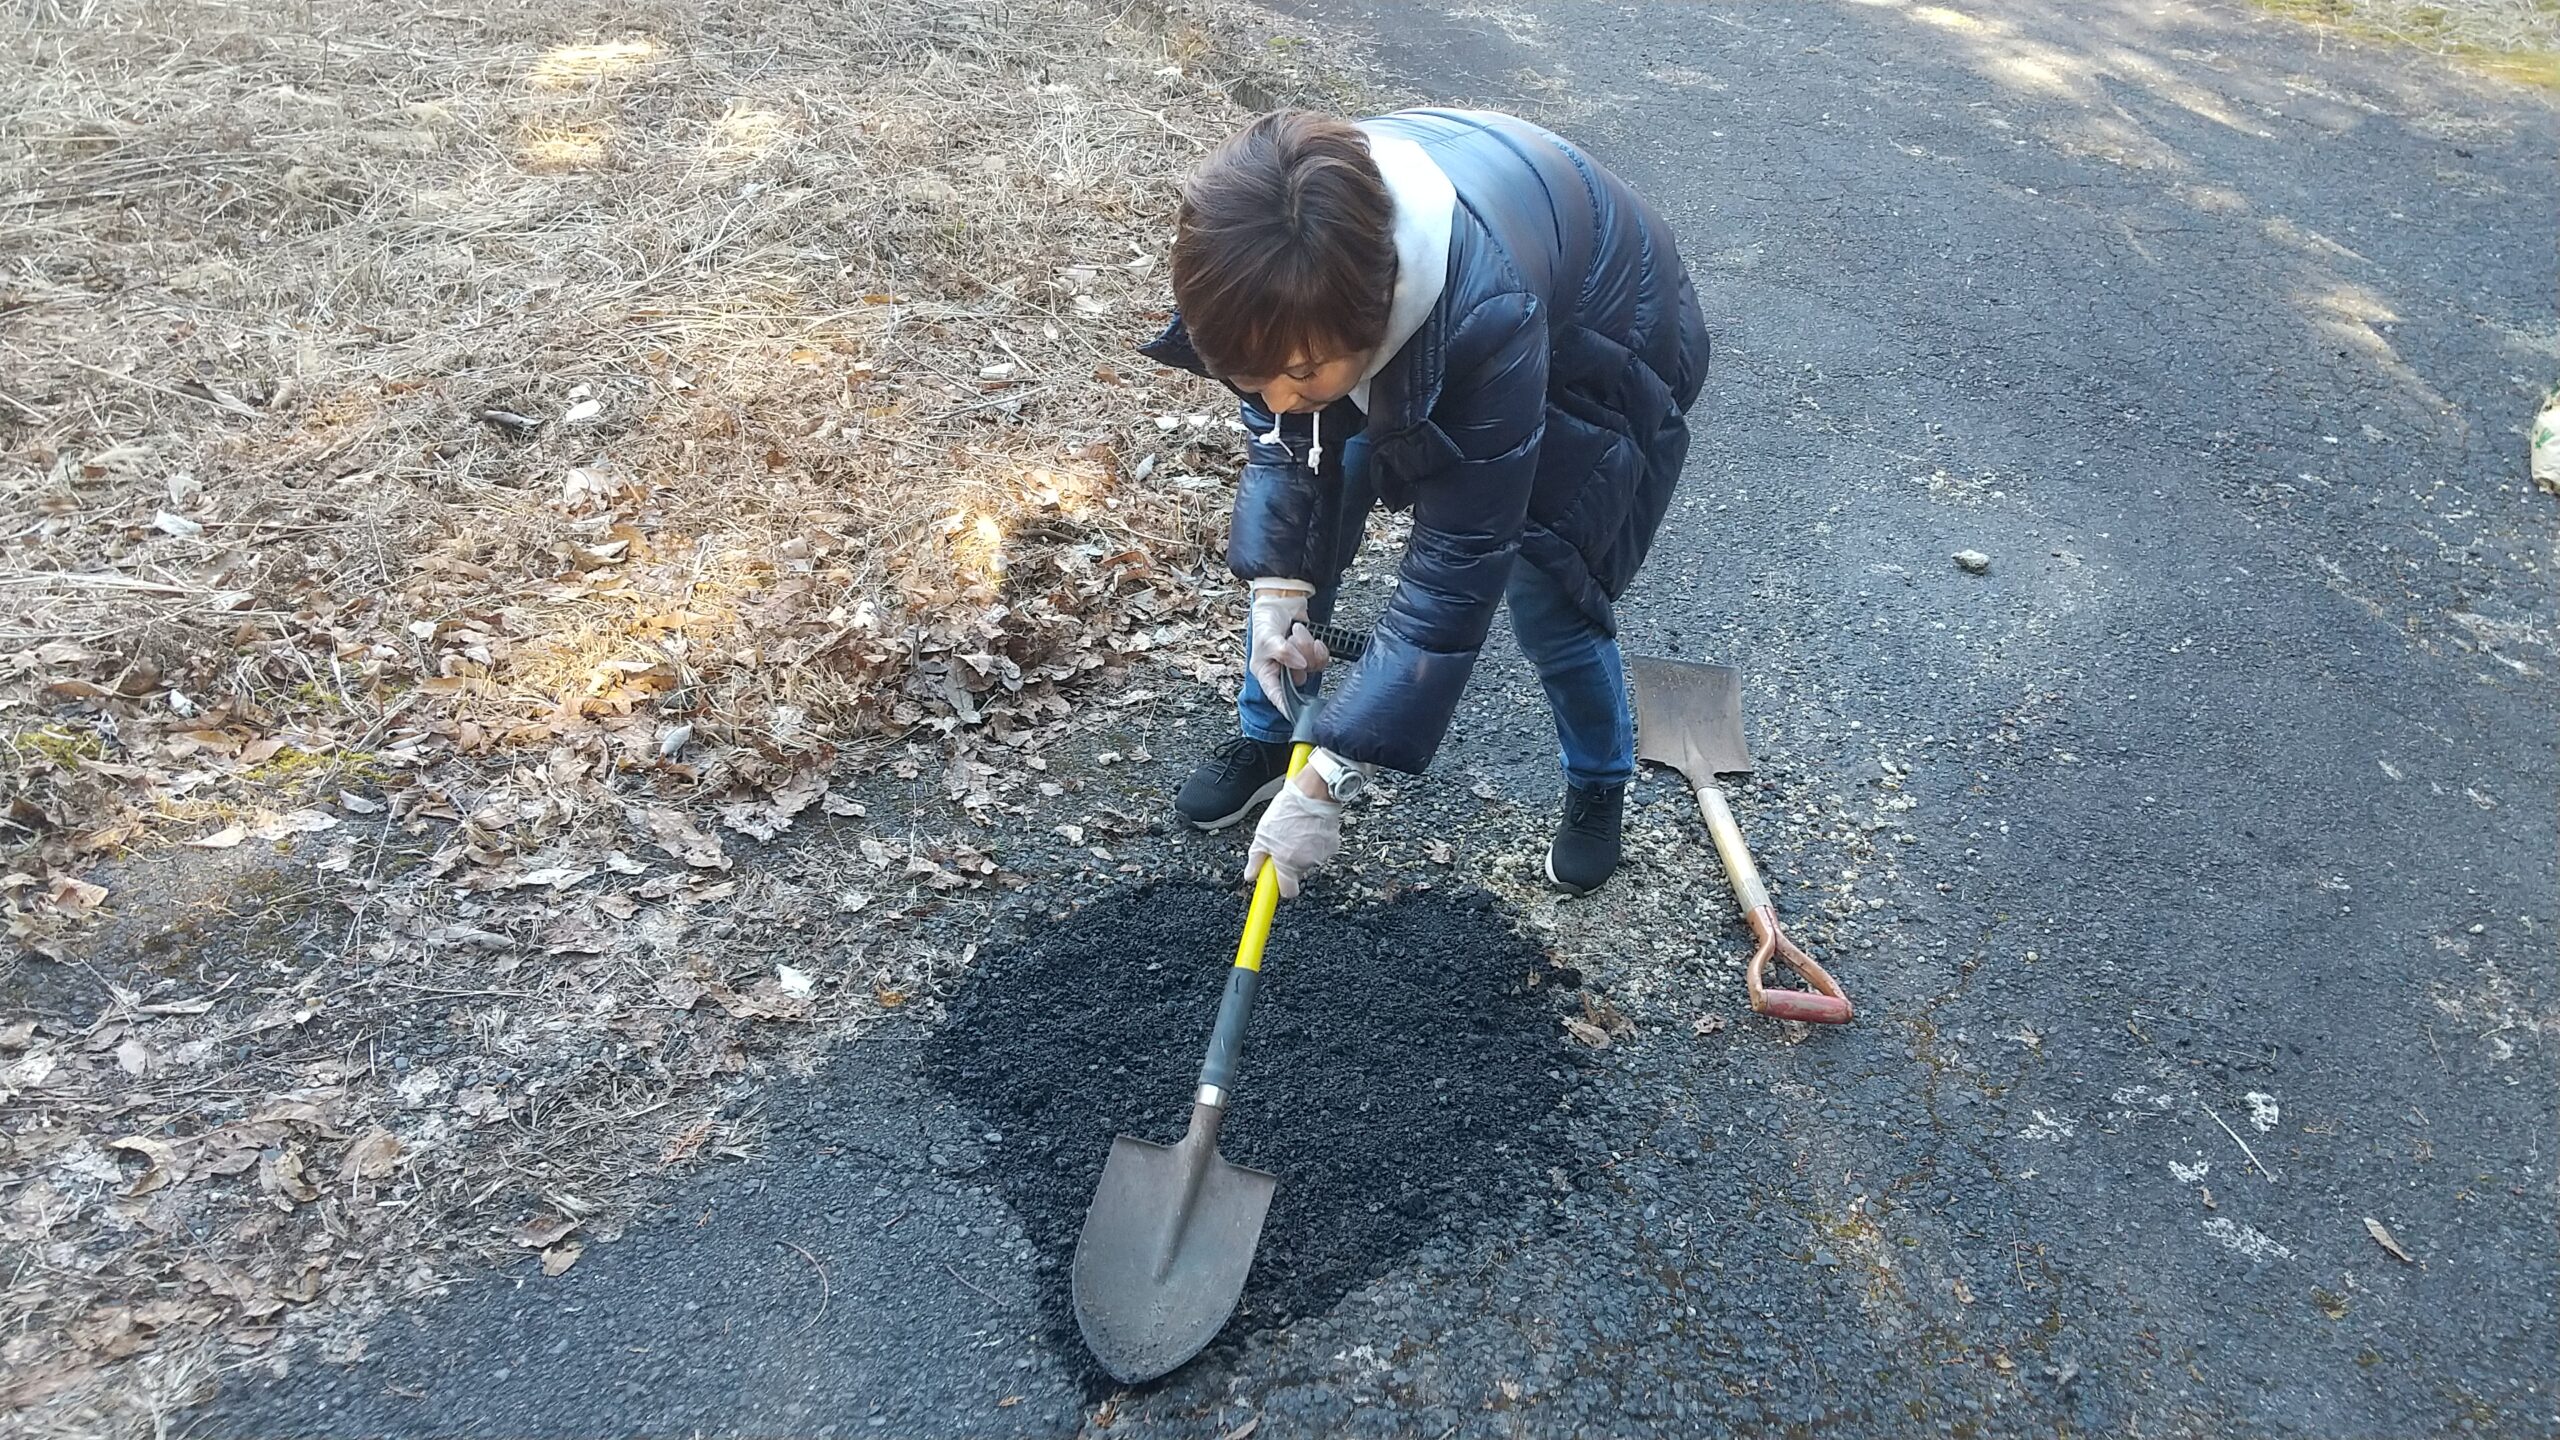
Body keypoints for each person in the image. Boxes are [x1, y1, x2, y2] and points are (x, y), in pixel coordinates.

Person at [1140, 107, 1708, 898]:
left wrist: (1331, 781)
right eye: (1250, 373)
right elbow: (1286, 446)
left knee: (1547, 584)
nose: (1274, 396)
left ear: (1375, 325)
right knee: (1314, 520)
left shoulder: (1488, 320)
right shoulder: (1277, 256)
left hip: (1604, 340)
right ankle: (1269, 737)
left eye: (1299, 375)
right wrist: (1278, 591)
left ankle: (1597, 782)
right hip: (1436, 265)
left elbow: (1454, 572)